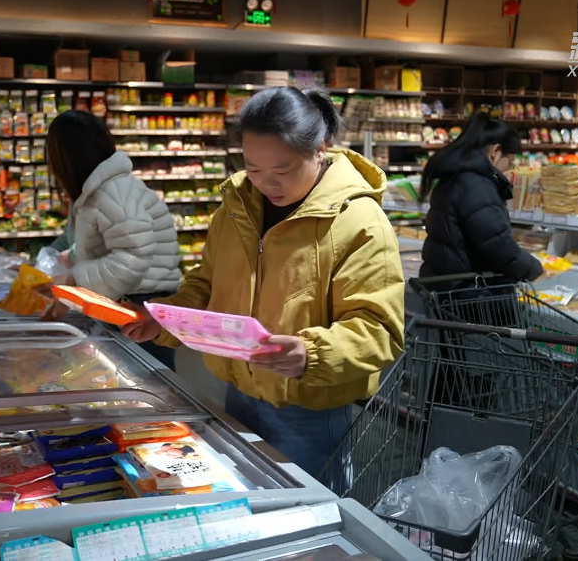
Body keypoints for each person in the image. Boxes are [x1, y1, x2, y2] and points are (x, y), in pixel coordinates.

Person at [122, 87, 405, 483]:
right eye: (253, 168)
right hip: (238, 391)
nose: (266, 183)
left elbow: (380, 329)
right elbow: (206, 284)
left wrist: (310, 353)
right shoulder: (236, 208)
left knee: (308, 509)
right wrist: (163, 319)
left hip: (308, 407)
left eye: (282, 171)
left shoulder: (358, 221)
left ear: (320, 149)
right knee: (251, 498)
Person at [45, 110, 181, 370]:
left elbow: (131, 258)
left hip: (141, 306)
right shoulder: (98, 191)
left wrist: (74, 280)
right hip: (130, 298)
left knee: (149, 381)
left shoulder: (113, 192)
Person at [419, 112, 543, 284]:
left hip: (444, 284)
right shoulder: (477, 185)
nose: (509, 169)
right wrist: (534, 270)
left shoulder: (455, 176)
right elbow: (497, 247)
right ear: (495, 152)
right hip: (465, 291)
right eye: (510, 161)